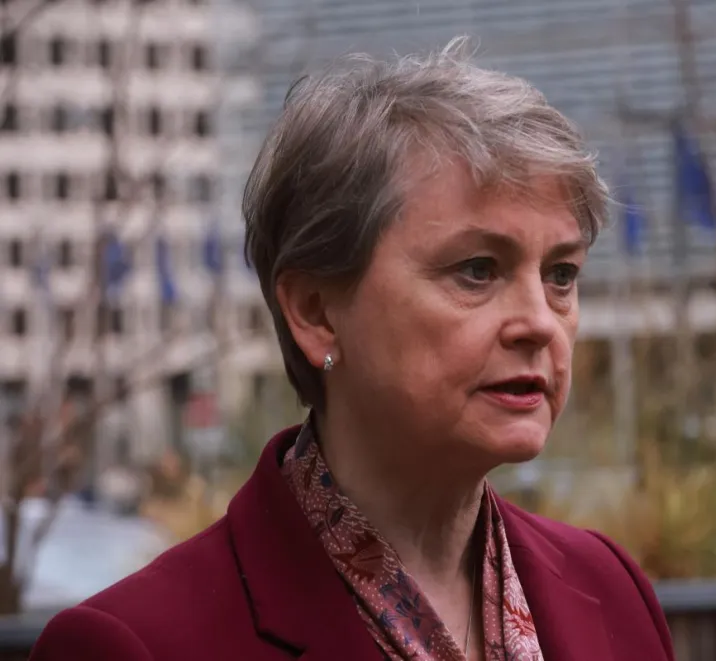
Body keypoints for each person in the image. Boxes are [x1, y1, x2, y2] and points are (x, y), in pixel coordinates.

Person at [30, 38, 676, 661]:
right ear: (314, 311)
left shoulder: (613, 588)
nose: (539, 321)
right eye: (478, 269)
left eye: (561, 274)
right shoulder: (133, 645)